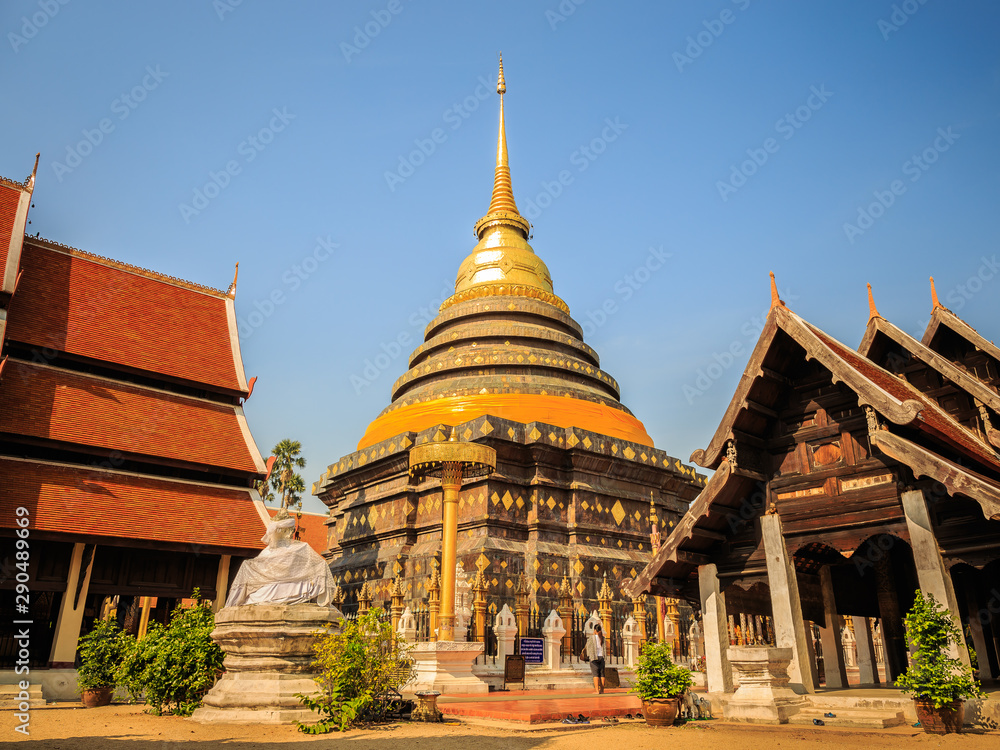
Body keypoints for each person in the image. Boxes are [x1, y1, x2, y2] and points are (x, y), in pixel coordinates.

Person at [582, 623, 606, 694]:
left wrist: (589, 656)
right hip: (602, 657)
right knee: (602, 674)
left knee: (595, 674)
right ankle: (602, 690)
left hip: (594, 657)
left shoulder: (591, 638)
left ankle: (597, 691)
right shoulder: (603, 638)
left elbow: (588, 648)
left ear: (595, 630)